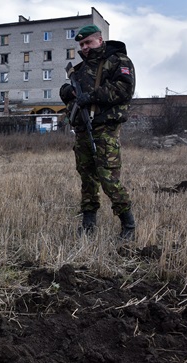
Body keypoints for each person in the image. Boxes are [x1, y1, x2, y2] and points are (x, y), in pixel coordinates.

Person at [59, 25, 136, 240]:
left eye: (88, 43)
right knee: (87, 177)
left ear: (100, 40)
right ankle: (89, 223)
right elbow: (72, 94)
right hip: (83, 129)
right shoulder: (80, 69)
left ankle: (128, 224)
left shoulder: (118, 60)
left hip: (105, 128)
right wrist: (65, 92)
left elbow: (124, 89)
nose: (84, 47)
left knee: (108, 177)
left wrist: (91, 96)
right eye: (81, 45)